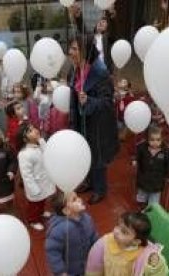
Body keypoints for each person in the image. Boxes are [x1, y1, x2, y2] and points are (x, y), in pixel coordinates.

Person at [68, 35, 119, 204]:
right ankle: (89, 182)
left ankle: (100, 189)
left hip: (97, 123)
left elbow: (107, 101)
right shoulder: (75, 69)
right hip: (81, 120)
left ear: (85, 51)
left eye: (75, 49)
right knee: (84, 152)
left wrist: (89, 101)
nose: (71, 52)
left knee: (96, 156)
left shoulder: (100, 72)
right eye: (71, 48)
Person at [85, 212, 169, 276]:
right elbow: (94, 265)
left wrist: (155, 265)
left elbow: (160, 272)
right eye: (118, 225)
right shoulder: (106, 242)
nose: (116, 231)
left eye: (124, 232)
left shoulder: (145, 254)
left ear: (136, 241)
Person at [45, 191, 97, 276]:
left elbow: (93, 235)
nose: (80, 199)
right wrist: (60, 271)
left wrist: (99, 248)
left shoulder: (87, 218)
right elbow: (53, 252)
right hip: (69, 270)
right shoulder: (59, 229)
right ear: (66, 210)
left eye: (77, 196)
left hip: (87, 264)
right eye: (74, 199)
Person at [17, 123, 56, 231]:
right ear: (25, 139)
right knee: (34, 205)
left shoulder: (39, 145)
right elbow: (26, 175)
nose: (34, 130)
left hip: (43, 181)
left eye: (33, 128)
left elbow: (48, 152)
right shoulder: (24, 154)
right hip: (35, 185)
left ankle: (42, 212)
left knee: (42, 201)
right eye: (30, 131)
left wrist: (41, 140)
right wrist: (33, 189)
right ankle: (33, 220)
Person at [133, 126, 169, 207]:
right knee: (142, 196)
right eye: (152, 140)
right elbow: (137, 156)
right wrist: (135, 160)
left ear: (162, 139)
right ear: (147, 139)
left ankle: (151, 210)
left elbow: (168, 165)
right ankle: (142, 205)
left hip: (157, 182)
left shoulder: (166, 152)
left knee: (153, 203)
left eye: (158, 140)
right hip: (143, 179)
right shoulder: (142, 148)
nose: (155, 142)